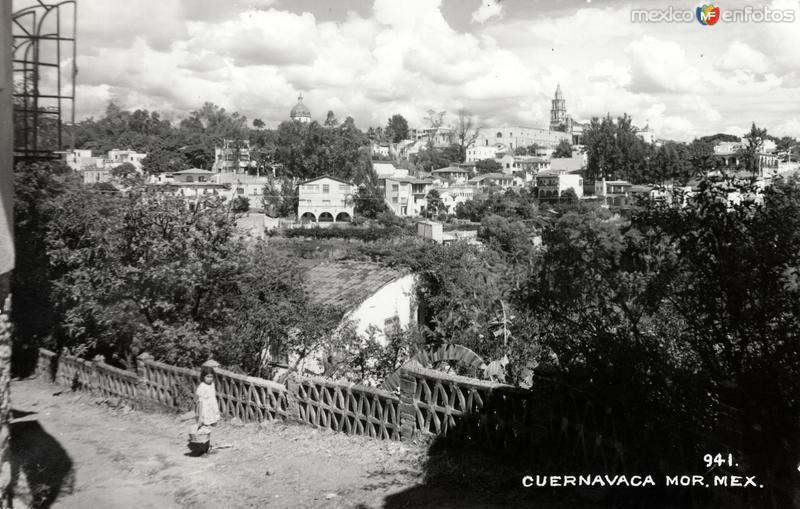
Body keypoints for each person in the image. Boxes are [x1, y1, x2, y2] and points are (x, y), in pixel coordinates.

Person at [195, 365, 221, 435]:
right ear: (203, 377)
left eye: (211, 377)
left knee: (213, 423)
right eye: (207, 377)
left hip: (211, 408)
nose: (210, 379)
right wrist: (200, 416)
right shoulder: (202, 387)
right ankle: (202, 440)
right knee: (205, 425)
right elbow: (200, 402)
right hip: (205, 409)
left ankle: (209, 437)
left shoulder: (212, 384)